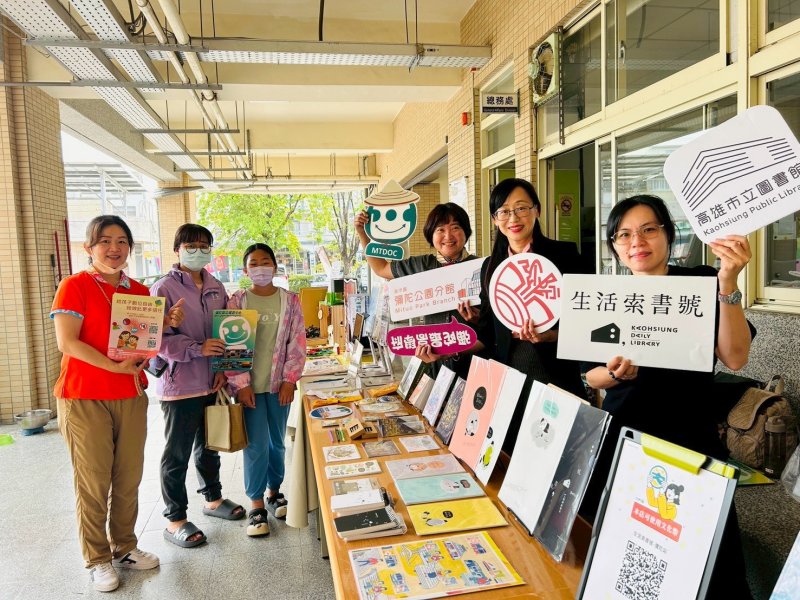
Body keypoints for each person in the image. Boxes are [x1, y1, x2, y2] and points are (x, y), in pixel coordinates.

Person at [582, 194, 754, 598]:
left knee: (712, 561)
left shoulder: (701, 282)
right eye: (624, 235)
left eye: (648, 230)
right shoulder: (606, 296)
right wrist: (613, 372)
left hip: (692, 443)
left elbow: (734, 357)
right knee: (639, 556)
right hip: (629, 444)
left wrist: (727, 284)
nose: (636, 242)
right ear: (614, 247)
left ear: (669, 235)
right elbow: (590, 375)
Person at [51, 215, 185, 592]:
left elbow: (140, 343)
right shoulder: (74, 286)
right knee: (93, 481)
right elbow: (68, 342)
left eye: (122, 241)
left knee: (128, 477)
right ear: (89, 248)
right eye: (105, 241)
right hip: (84, 396)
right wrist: (112, 365)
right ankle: (97, 558)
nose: (115, 248)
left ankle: (125, 546)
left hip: (129, 394)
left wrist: (164, 323)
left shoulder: (138, 291)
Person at [438, 178, 587, 453]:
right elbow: (487, 335)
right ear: (495, 219)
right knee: (512, 454)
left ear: (537, 210)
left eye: (521, 208)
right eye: (504, 211)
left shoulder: (565, 255)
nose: (513, 218)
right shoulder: (490, 267)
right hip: (509, 380)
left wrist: (551, 335)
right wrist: (446, 349)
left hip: (555, 377)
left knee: (557, 454)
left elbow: (585, 323)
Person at [150, 224, 245, 549]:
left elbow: (225, 331)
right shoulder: (163, 288)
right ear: (177, 249)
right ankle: (175, 519)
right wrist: (196, 349)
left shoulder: (216, 286)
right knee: (176, 454)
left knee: (209, 446)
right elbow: (157, 339)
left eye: (205, 246)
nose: (198, 251)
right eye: (191, 245)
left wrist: (222, 369)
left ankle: (213, 500)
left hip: (210, 382)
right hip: (179, 385)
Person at [226, 243, 306, 537]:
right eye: (253, 263)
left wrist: (290, 379)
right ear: (245, 270)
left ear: (274, 265)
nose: (260, 267)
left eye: (265, 261)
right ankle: (256, 503)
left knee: (277, 442)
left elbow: (297, 341)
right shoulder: (237, 301)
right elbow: (232, 344)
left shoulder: (290, 300)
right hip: (250, 388)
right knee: (255, 445)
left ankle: (274, 492)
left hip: (278, 386)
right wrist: (241, 384)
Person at [355, 201, 479, 376]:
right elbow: (381, 268)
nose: (448, 236)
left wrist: (478, 319)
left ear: (466, 232)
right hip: (435, 363)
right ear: (431, 235)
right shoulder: (421, 265)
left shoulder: (481, 267)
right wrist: (362, 233)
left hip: (475, 364)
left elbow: (494, 327)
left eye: (455, 228)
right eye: (440, 230)